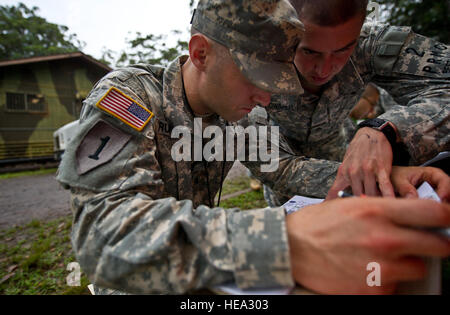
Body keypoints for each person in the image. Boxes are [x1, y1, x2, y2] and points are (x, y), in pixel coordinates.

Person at [57, 0, 450, 295]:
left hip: (205, 277)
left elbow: (285, 169)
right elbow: (102, 235)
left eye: (277, 81)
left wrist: (377, 174)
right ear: (200, 53)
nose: (266, 97)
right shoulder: (129, 97)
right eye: (256, 78)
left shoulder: (241, 115)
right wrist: (284, 241)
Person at [260, 0, 450, 206]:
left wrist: (387, 129)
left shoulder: (372, 44)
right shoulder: (256, 59)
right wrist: (373, 177)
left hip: (342, 153)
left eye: (343, 50)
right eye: (309, 52)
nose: (324, 69)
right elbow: (272, 165)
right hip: (288, 186)